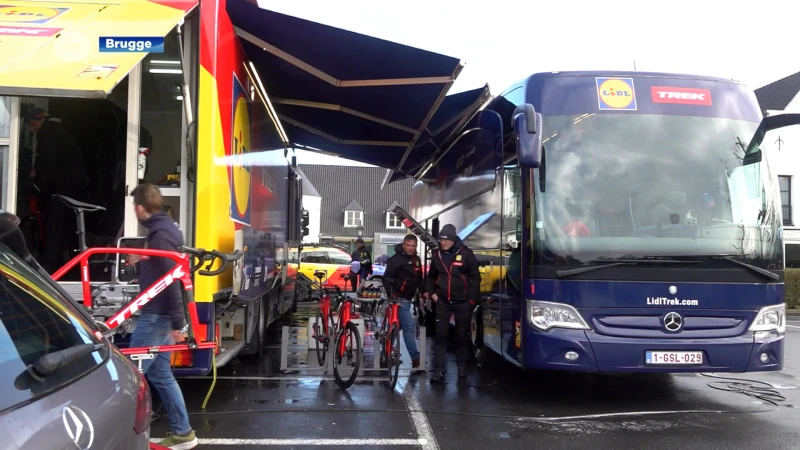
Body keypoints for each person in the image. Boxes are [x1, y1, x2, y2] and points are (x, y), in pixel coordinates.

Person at [127, 184, 198, 449]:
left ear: (139, 208)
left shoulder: (160, 236)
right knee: (160, 376)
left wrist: (179, 323)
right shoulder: (162, 231)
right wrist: (143, 259)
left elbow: (173, 280)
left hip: (156, 316)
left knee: (131, 376)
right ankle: (183, 433)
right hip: (159, 314)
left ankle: (116, 435)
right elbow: (163, 269)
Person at [24, 108, 89, 273]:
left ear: (40, 121)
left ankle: (49, 266)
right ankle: (76, 265)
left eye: (32, 125)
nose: (31, 129)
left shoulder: (49, 134)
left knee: (55, 224)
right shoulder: (57, 131)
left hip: (65, 187)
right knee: (68, 226)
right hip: (73, 185)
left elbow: (48, 161)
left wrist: (36, 172)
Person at [425, 224, 480, 383]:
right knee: (440, 337)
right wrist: (434, 295)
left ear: (452, 239)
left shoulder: (466, 254)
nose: (441, 242)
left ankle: (462, 368)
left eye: (444, 239)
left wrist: (471, 300)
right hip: (442, 302)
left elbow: (475, 277)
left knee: (461, 336)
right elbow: (430, 277)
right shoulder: (437, 255)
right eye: (440, 239)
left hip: (462, 302)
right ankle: (439, 371)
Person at [383, 235, 425, 368]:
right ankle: (415, 358)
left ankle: (385, 352)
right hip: (398, 298)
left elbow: (420, 279)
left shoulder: (417, 260)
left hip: (409, 297)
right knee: (408, 327)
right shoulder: (395, 260)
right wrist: (393, 295)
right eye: (408, 245)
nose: (411, 248)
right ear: (403, 244)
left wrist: (423, 293)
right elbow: (386, 279)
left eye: (413, 245)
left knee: (397, 327)